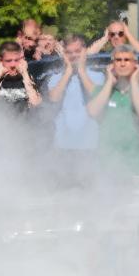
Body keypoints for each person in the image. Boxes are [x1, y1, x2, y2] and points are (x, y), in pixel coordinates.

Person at [86, 45, 139, 175]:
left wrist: (134, 82)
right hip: (107, 165)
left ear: (135, 64)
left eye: (127, 60)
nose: (122, 64)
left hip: (138, 164)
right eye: (118, 60)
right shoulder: (102, 90)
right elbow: (92, 112)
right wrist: (109, 83)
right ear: (112, 64)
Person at [46, 33, 104, 175]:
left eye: (78, 51)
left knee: (88, 192)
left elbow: (95, 95)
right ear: (63, 54)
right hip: (62, 144)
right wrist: (68, 72)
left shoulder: (98, 76)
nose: (73, 55)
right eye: (69, 52)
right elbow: (54, 97)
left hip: (90, 144)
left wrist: (82, 70)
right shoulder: (55, 77)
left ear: (85, 51)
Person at [0, 41, 41, 111]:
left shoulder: (30, 77)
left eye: (16, 60)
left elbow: (35, 103)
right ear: (1, 61)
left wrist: (25, 73)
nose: (13, 65)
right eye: (9, 61)